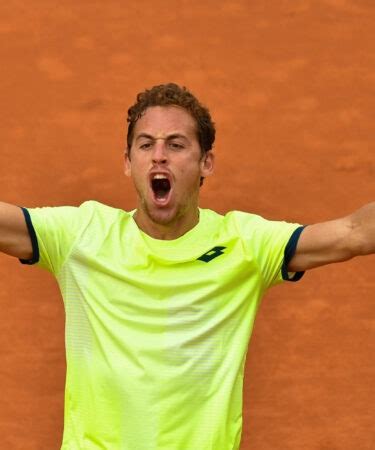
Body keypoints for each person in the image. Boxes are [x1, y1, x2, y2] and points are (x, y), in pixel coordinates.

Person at [0, 82, 373, 450]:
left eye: (176, 145)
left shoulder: (245, 244)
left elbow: (352, 233)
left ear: (205, 163)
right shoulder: (80, 236)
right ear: (129, 162)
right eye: (146, 145)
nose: (159, 156)